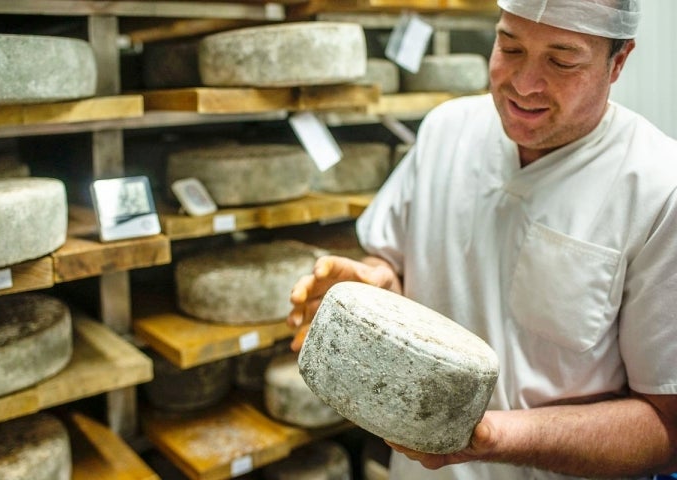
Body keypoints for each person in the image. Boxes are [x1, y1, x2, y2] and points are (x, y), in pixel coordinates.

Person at [287, 0, 677, 479]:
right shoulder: (447, 130)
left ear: (617, 62)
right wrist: (376, 284)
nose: (524, 83)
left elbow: (665, 426)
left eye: (561, 61)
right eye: (509, 47)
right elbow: (394, 263)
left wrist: (493, 437)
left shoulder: (660, 188)